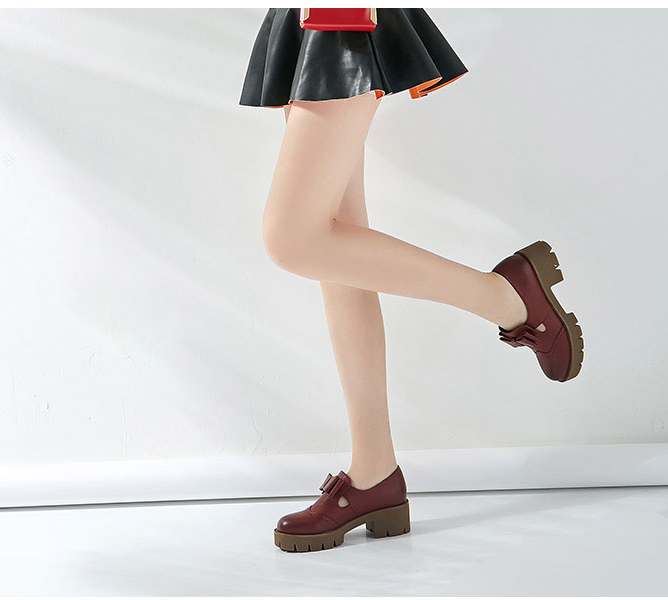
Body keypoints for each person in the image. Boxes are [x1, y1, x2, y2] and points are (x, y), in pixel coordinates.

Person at [238, 8, 584, 553]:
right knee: (337, 252)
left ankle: (505, 297)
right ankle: (374, 471)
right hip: (312, 18)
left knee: (294, 238)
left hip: (339, 18)